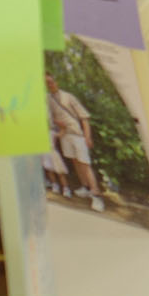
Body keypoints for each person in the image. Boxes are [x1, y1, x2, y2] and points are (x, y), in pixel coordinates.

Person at [45, 71, 104, 211]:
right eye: (46, 83)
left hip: (77, 135)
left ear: (56, 82)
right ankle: (85, 187)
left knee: (85, 163)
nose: (50, 84)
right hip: (65, 135)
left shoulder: (68, 97)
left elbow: (84, 117)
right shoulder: (48, 98)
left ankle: (96, 195)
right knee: (75, 161)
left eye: (51, 81)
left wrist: (87, 136)